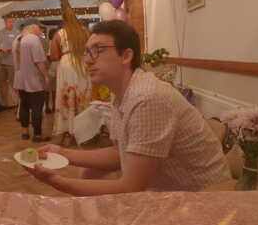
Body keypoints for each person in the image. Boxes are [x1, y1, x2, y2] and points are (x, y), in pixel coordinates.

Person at [25, 20, 231, 195]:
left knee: (90, 182)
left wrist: (58, 181)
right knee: (89, 173)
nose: (87, 60)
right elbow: (120, 152)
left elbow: (132, 187)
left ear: (126, 56)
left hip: (202, 197)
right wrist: (62, 153)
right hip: (168, 190)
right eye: (86, 52)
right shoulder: (123, 93)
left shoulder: (147, 98)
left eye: (97, 50)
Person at [51, 10, 92, 145]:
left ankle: (68, 131)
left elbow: (54, 55)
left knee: (66, 96)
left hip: (66, 64)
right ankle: (84, 132)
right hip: (82, 62)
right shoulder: (85, 31)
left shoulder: (60, 33)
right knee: (83, 95)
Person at [13, 20, 50, 142]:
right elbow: (39, 61)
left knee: (24, 106)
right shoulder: (33, 39)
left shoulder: (17, 39)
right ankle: (37, 135)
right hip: (34, 79)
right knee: (36, 108)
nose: (41, 31)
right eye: (40, 28)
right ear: (33, 27)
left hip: (20, 79)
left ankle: (25, 132)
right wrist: (45, 76)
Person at [0, 17, 18, 107]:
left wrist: (11, 49)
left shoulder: (17, 33)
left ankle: (18, 103)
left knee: (14, 83)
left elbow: (19, 46)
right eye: (9, 22)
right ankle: (5, 103)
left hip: (12, 62)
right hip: (1, 61)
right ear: (5, 23)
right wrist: (0, 50)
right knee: (2, 83)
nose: (11, 23)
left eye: (12, 22)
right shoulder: (0, 32)